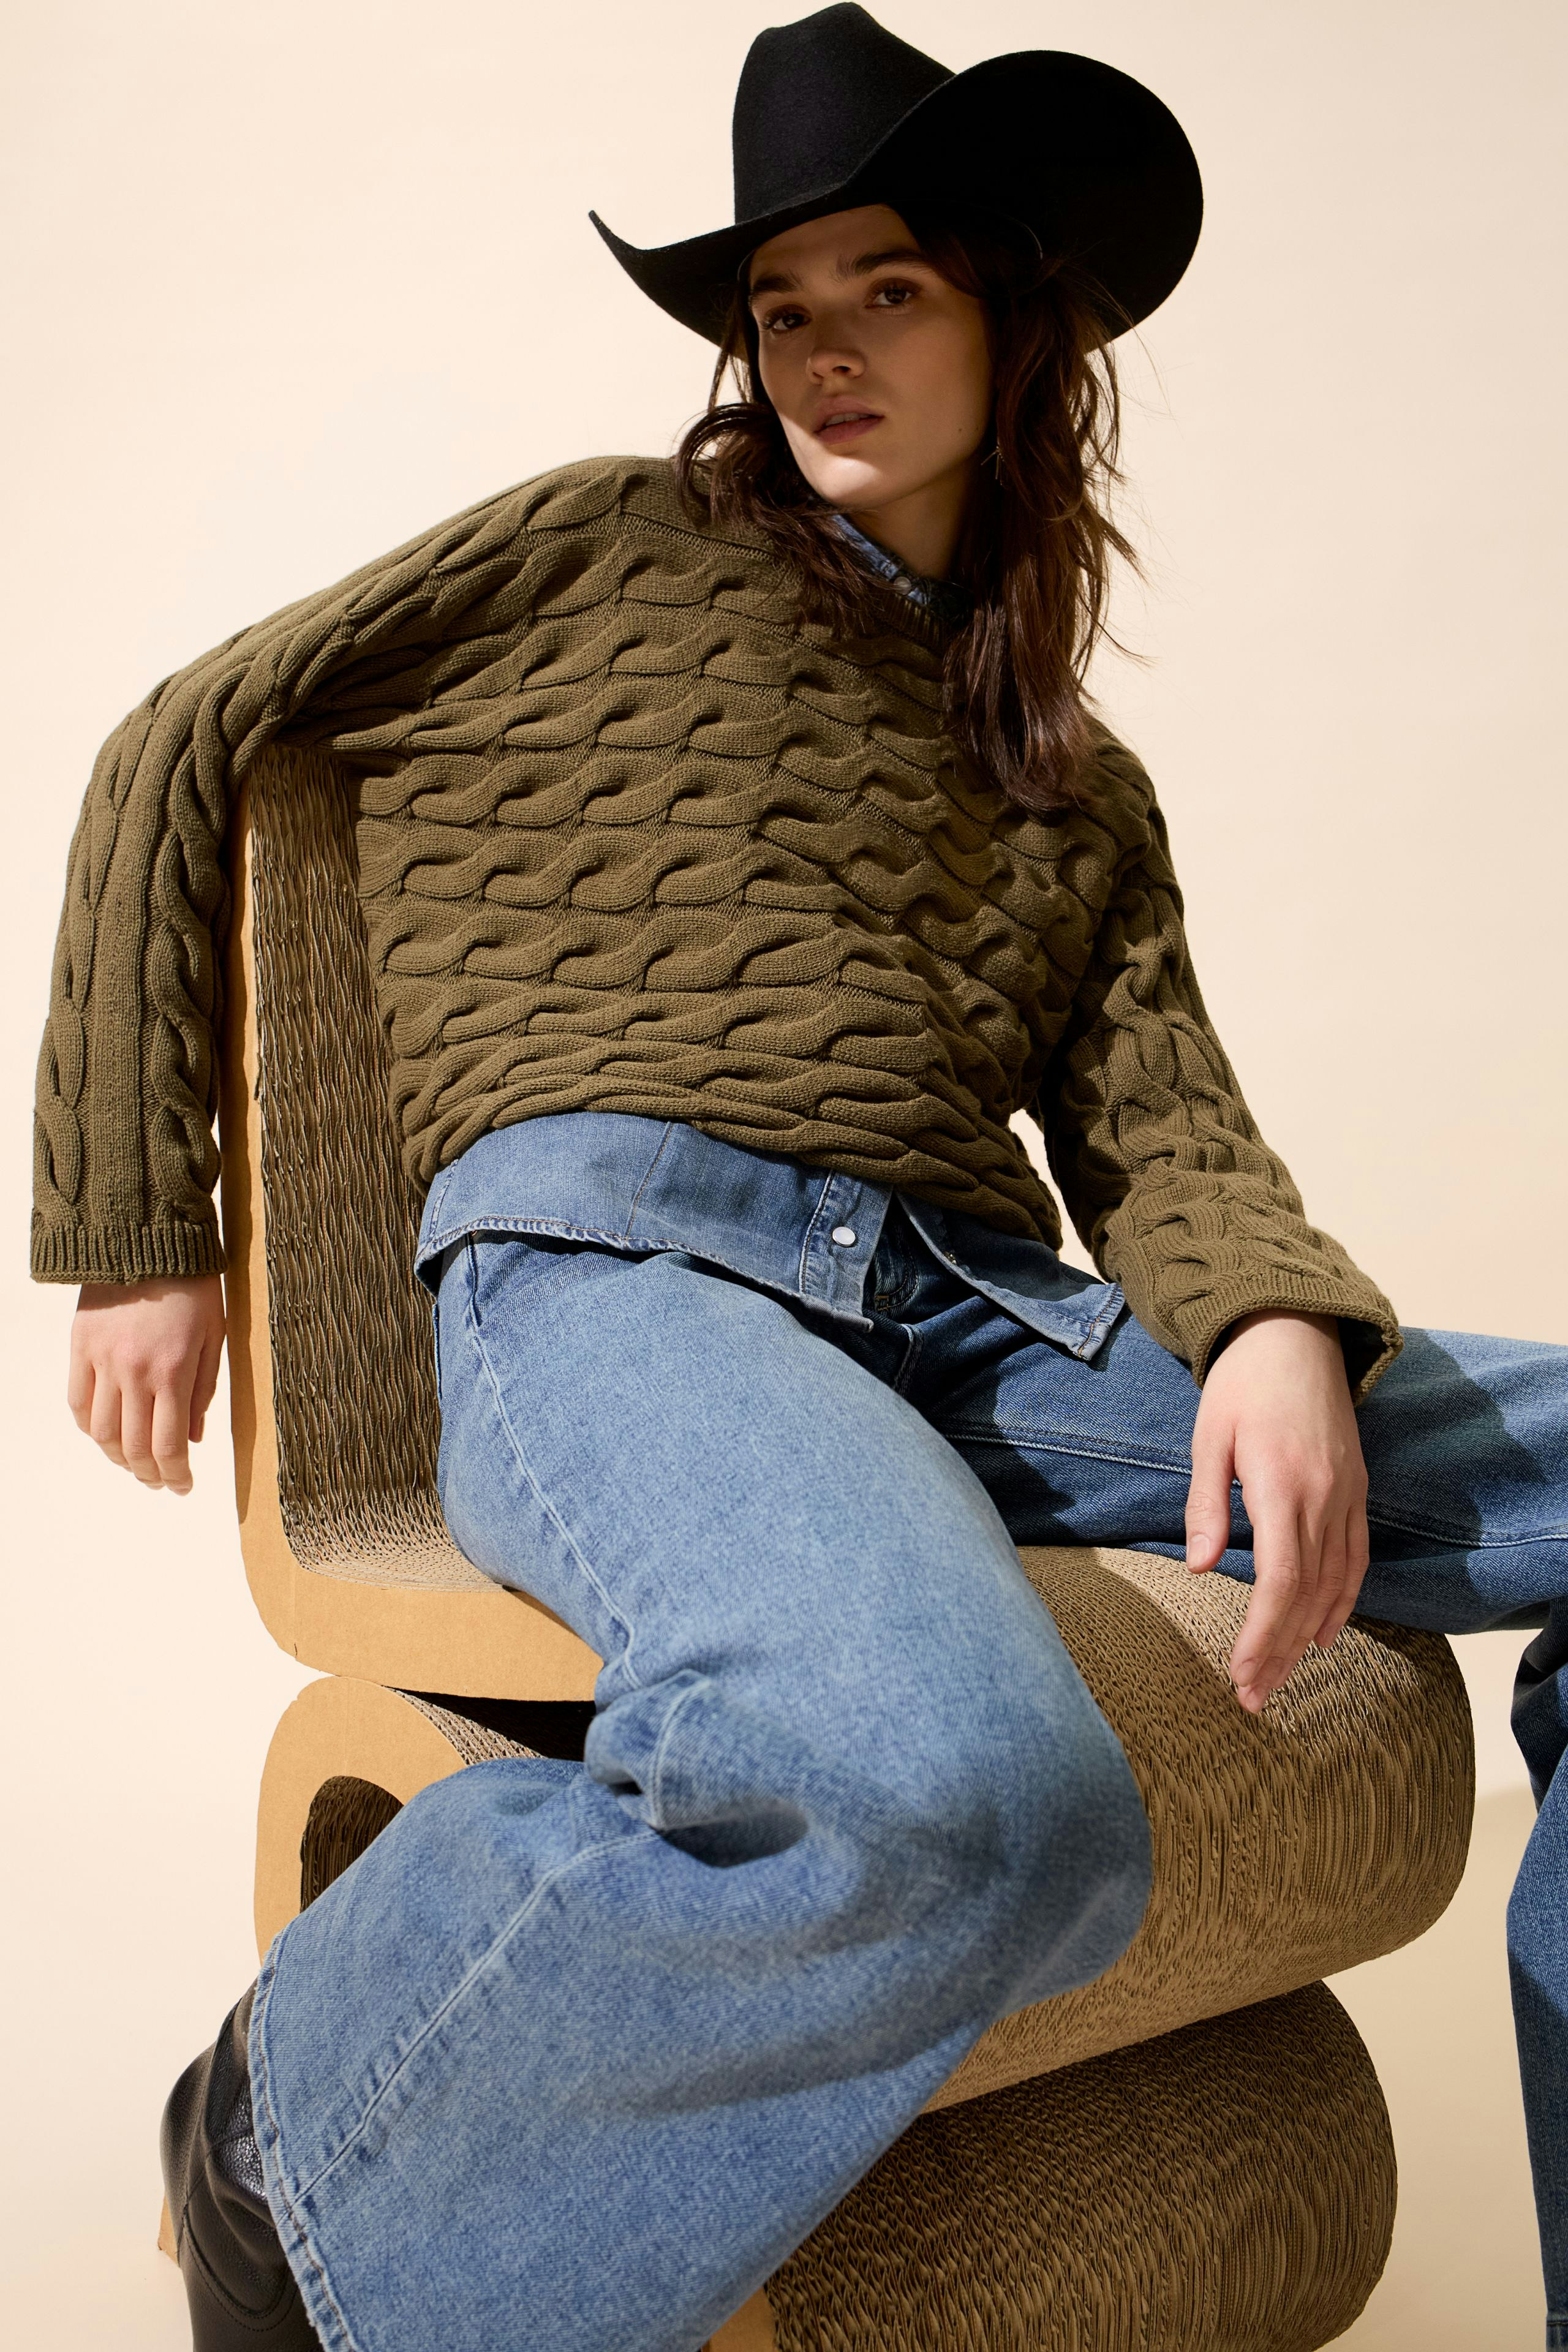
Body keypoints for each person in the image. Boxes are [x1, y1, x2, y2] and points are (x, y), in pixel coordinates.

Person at [34, 8, 1566, 2350]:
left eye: (891, 292)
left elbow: (1166, 1123)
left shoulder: (1073, 770)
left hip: (974, 1324)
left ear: (1015, 325)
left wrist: (1266, 1325)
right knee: (957, 1792)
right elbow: (187, 732)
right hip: (625, 1272)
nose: (825, 351)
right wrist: (142, 1232)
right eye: (785, 306)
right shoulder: (600, 543)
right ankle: (298, 2132)